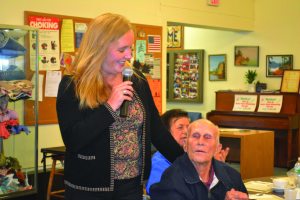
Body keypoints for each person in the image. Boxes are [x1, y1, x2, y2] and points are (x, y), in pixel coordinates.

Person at [56, 13, 183, 200]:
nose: (129, 55)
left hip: (131, 185)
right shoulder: (72, 85)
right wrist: (109, 107)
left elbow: (156, 129)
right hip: (89, 188)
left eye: (130, 48)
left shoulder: (136, 80)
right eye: (122, 49)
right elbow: (74, 140)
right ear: (100, 48)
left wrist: (187, 163)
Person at [150, 119, 248, 200]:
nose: (200, 142)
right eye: (195, 136)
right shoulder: (172, 180)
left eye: (207, 137)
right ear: (185, 146)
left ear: (217, 148)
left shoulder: (232, 176)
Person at [146, 109, 230, 195]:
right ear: (166, 133)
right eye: (180, 127)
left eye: (188, 127)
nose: (186, 132)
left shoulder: (192, 155)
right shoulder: (160, 160)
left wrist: (216, 167)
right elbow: (156, 192)